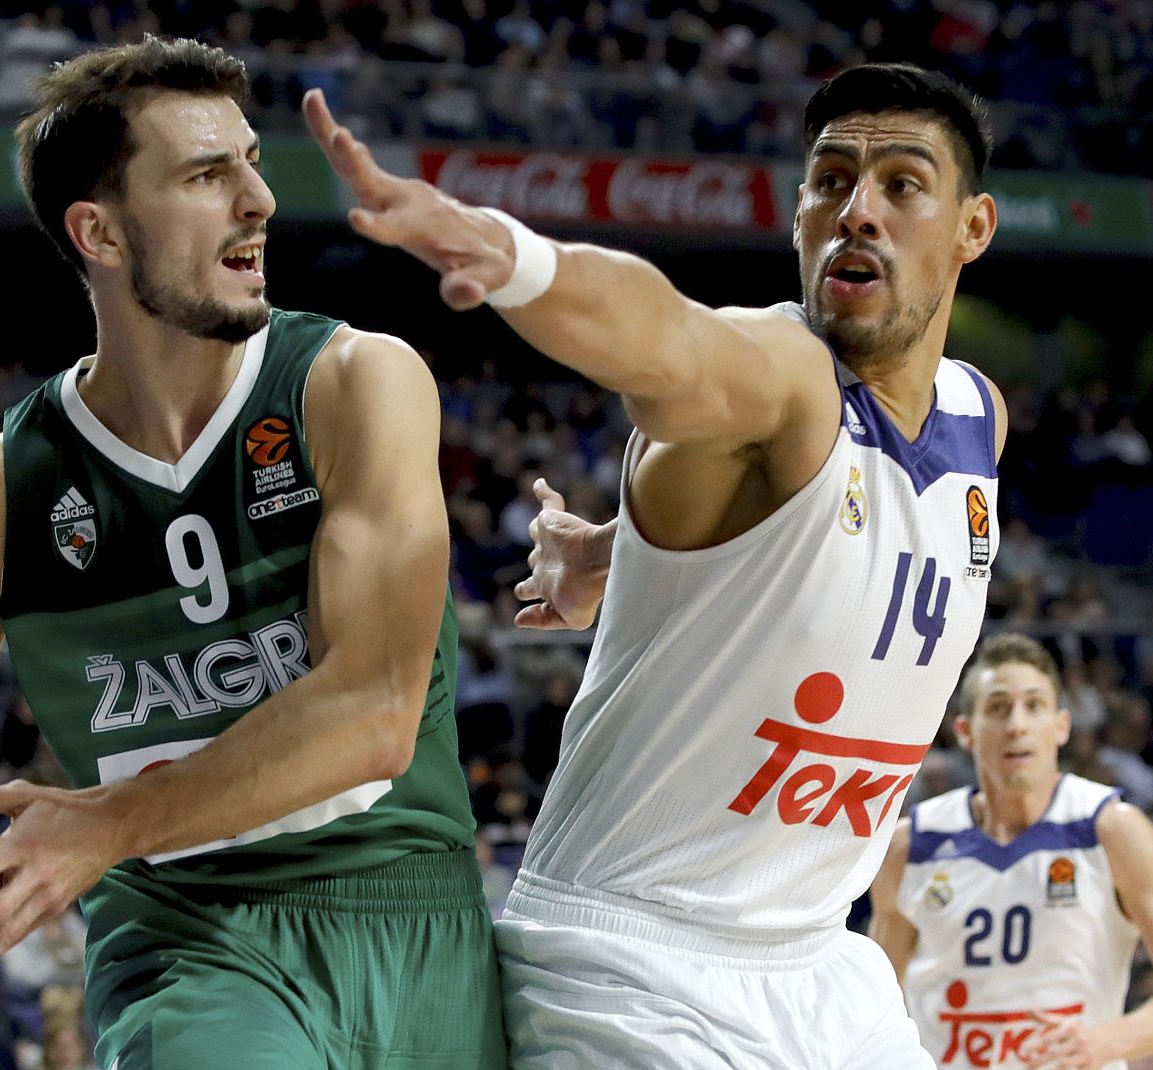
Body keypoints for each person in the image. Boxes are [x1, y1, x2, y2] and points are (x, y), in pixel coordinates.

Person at [0, 37, 502, 1070]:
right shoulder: (6, 485)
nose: (259, 200)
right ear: (101, 231)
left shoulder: (353, 384)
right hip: (185, 940)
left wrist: (105, 820)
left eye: (252, 162)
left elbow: (374, 712)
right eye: (206, 175)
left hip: (419, 916)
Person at [306, 61, 1006, 1068]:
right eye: (829, 180)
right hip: (629, 961)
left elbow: (805, 542)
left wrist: (623, 552)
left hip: (820, 960)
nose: (855, 211)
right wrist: (507, 254)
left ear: (970, 227)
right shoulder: (778, 373)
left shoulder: (978, 415)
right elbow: (664, 339)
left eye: (901, 184)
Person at [869, 634, 1153, 1069]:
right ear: (964, 730)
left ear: (1061, 726)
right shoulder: (911, 846)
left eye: (1034, 706)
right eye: (998, 707)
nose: (1017, 724)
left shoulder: (1112, 830)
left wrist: (1107, 1042)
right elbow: (873, 1008)